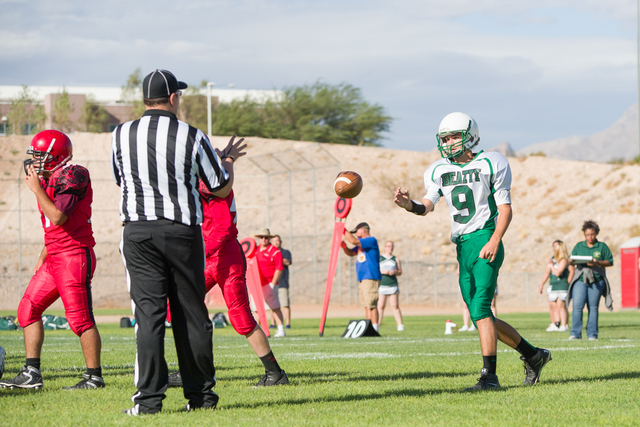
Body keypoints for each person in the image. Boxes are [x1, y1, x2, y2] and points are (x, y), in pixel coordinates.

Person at [394, 112, 551, 390]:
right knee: (480, 316)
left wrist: (495, 239)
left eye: (454, 136)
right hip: (462, 245)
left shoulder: (491, 162)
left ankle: (489, 377)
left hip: (485, 237)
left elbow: (505, 209)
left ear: (470, 136)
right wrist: (409, 205)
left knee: (480, 308)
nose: (449, 142)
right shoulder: (437, 170)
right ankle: (533, 355)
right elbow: (427, 206)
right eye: (445, 138)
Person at [111, 69, 232, 415]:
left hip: (138, 231)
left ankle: (148, 402)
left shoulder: (120, 133)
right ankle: (201, 398)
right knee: (192, 314)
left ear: (145, 99)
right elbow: (219, 186)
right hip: (182, 231)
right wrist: (226, 162)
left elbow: (120, 178)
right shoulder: (192, 135)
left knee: (148, 316)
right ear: (174, 97)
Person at [0, 130, 104, 391]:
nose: (34, 161)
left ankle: (94, 378)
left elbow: (58, 217)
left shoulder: (73, 174)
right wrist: (43, 255)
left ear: (56, 156)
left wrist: (37, 190)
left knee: (80, 319)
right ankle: (32, 373)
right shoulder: (49, 179)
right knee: (27, 310)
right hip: (55, 255)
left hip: (74, 255)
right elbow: (53, 229)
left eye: (40, 156)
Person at [167, 186, 289, 388]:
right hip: (208, 257)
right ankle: (190, 369)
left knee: (241, 317)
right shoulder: (197, 182)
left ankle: (275, 373)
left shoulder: (211, 184)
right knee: (178, 304)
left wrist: (199, 253)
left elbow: (223, 228)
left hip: (225, 257)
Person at [567, 221, 613, 341]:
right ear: (584, 234)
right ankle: (575, 333)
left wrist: (597, 262)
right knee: (577, 306)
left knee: (593, 307)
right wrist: (571, 261)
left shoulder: (602, 246)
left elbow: (610, 261)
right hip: (580, 280)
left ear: (596, 233)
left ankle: (592, 334)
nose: (590, 237)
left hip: (596, 280)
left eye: (592, 234)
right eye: (587, 235)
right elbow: (570, 260)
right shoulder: (579, 246)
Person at [341, 222, 382, 332]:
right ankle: (368, 328)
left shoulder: (371, 240)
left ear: (363, 230)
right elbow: (351, 253)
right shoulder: (361, 245)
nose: (356, 234)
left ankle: (375, 328)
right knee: (366, 304)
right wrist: (343, 246)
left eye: (357, 231)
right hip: (362, 278)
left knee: (371, 304)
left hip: (370, 276)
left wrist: (342, 229)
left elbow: (353, 241)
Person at [253, 229, 287, 338]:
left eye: (266, 237)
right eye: (261, 237)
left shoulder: (275, 251)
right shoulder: (255, 250)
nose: (264, 239)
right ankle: (257, 331)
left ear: (269, 239)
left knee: (275, 306)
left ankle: (281, 329)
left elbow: (279, 268)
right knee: (256, 308)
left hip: (269, 283)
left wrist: (273, 283)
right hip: (257, 284)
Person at [538, 240, 574, 332]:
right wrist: (541, 284)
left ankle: (564, 325)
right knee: (553, 306)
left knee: (561, 306)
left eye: (556, 247)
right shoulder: (552, 259)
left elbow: (558, 273)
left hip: (562, 286)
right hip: (553, 286)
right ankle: (556, 324)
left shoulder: (564, 260)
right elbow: (547, 273)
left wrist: (552, 266)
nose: (554, 249)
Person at [378, 241, 404, 331]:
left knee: (395, 306)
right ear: (385, 247)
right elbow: (375, 270)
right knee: (380, 306)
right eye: (388, 246)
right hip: (382, 285)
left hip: (392, 285)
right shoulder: (380, 258)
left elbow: (400, 271)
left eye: (392, 246)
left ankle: (400, 325)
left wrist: (395, 272)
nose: (390, 248)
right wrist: (383, 272)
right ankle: (377, 326)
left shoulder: (395, 259)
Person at [271, 235, 292, 329]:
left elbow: (287, 262)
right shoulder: (270, 252)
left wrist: (277, 257)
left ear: (280, 242)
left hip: (283, 282)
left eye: (277, 241)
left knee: (285, 304)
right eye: (274, 241)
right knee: (272, 304)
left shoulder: (285, 252)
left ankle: (287, 323)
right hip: (272, 282)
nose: (276, 243)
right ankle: (273, 323)